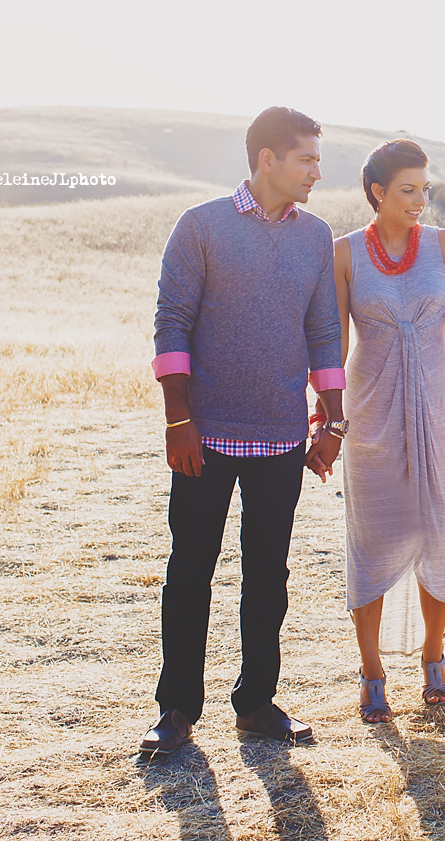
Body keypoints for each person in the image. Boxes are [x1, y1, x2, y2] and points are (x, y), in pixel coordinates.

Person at [139, 106, 345, 756]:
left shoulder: (315, 236)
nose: (317, 170)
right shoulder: (201, 227)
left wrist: (332, 419)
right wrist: (179, 419)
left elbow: (323, 333)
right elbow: (172, 323)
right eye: (307, 158)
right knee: (190, 570)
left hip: (281, 437)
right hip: (204, 435)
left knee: (268, 575)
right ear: (267, 160)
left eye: (317, 158)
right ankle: (176, 710)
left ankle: (256, 702)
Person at [309, 139, 445, 724]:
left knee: (436, 529)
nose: (420, 200)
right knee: (372, 535)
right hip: (369, 405)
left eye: (425, 189)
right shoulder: (342, 253)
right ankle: (371, 671)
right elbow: (333, 345)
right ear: (377, 193)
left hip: (436, 402)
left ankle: (434, 659)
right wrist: (330, 417)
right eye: (408, 190)